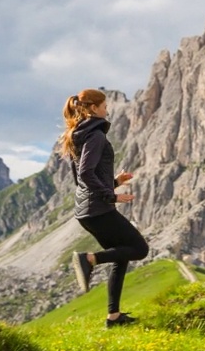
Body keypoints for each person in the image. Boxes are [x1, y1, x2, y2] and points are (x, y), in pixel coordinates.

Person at [58, 88, 150, 328]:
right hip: (98, 210)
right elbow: (86, 174)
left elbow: (82, 180)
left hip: (89, 211)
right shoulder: (95, 135)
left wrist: (115, 182)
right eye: (104, 105)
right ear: (92, 108)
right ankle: (88, 259)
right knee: (139, 248)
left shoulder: (76, 135)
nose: (107, 109)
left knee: (122, 254)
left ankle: (114, 317)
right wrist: (111, 196)